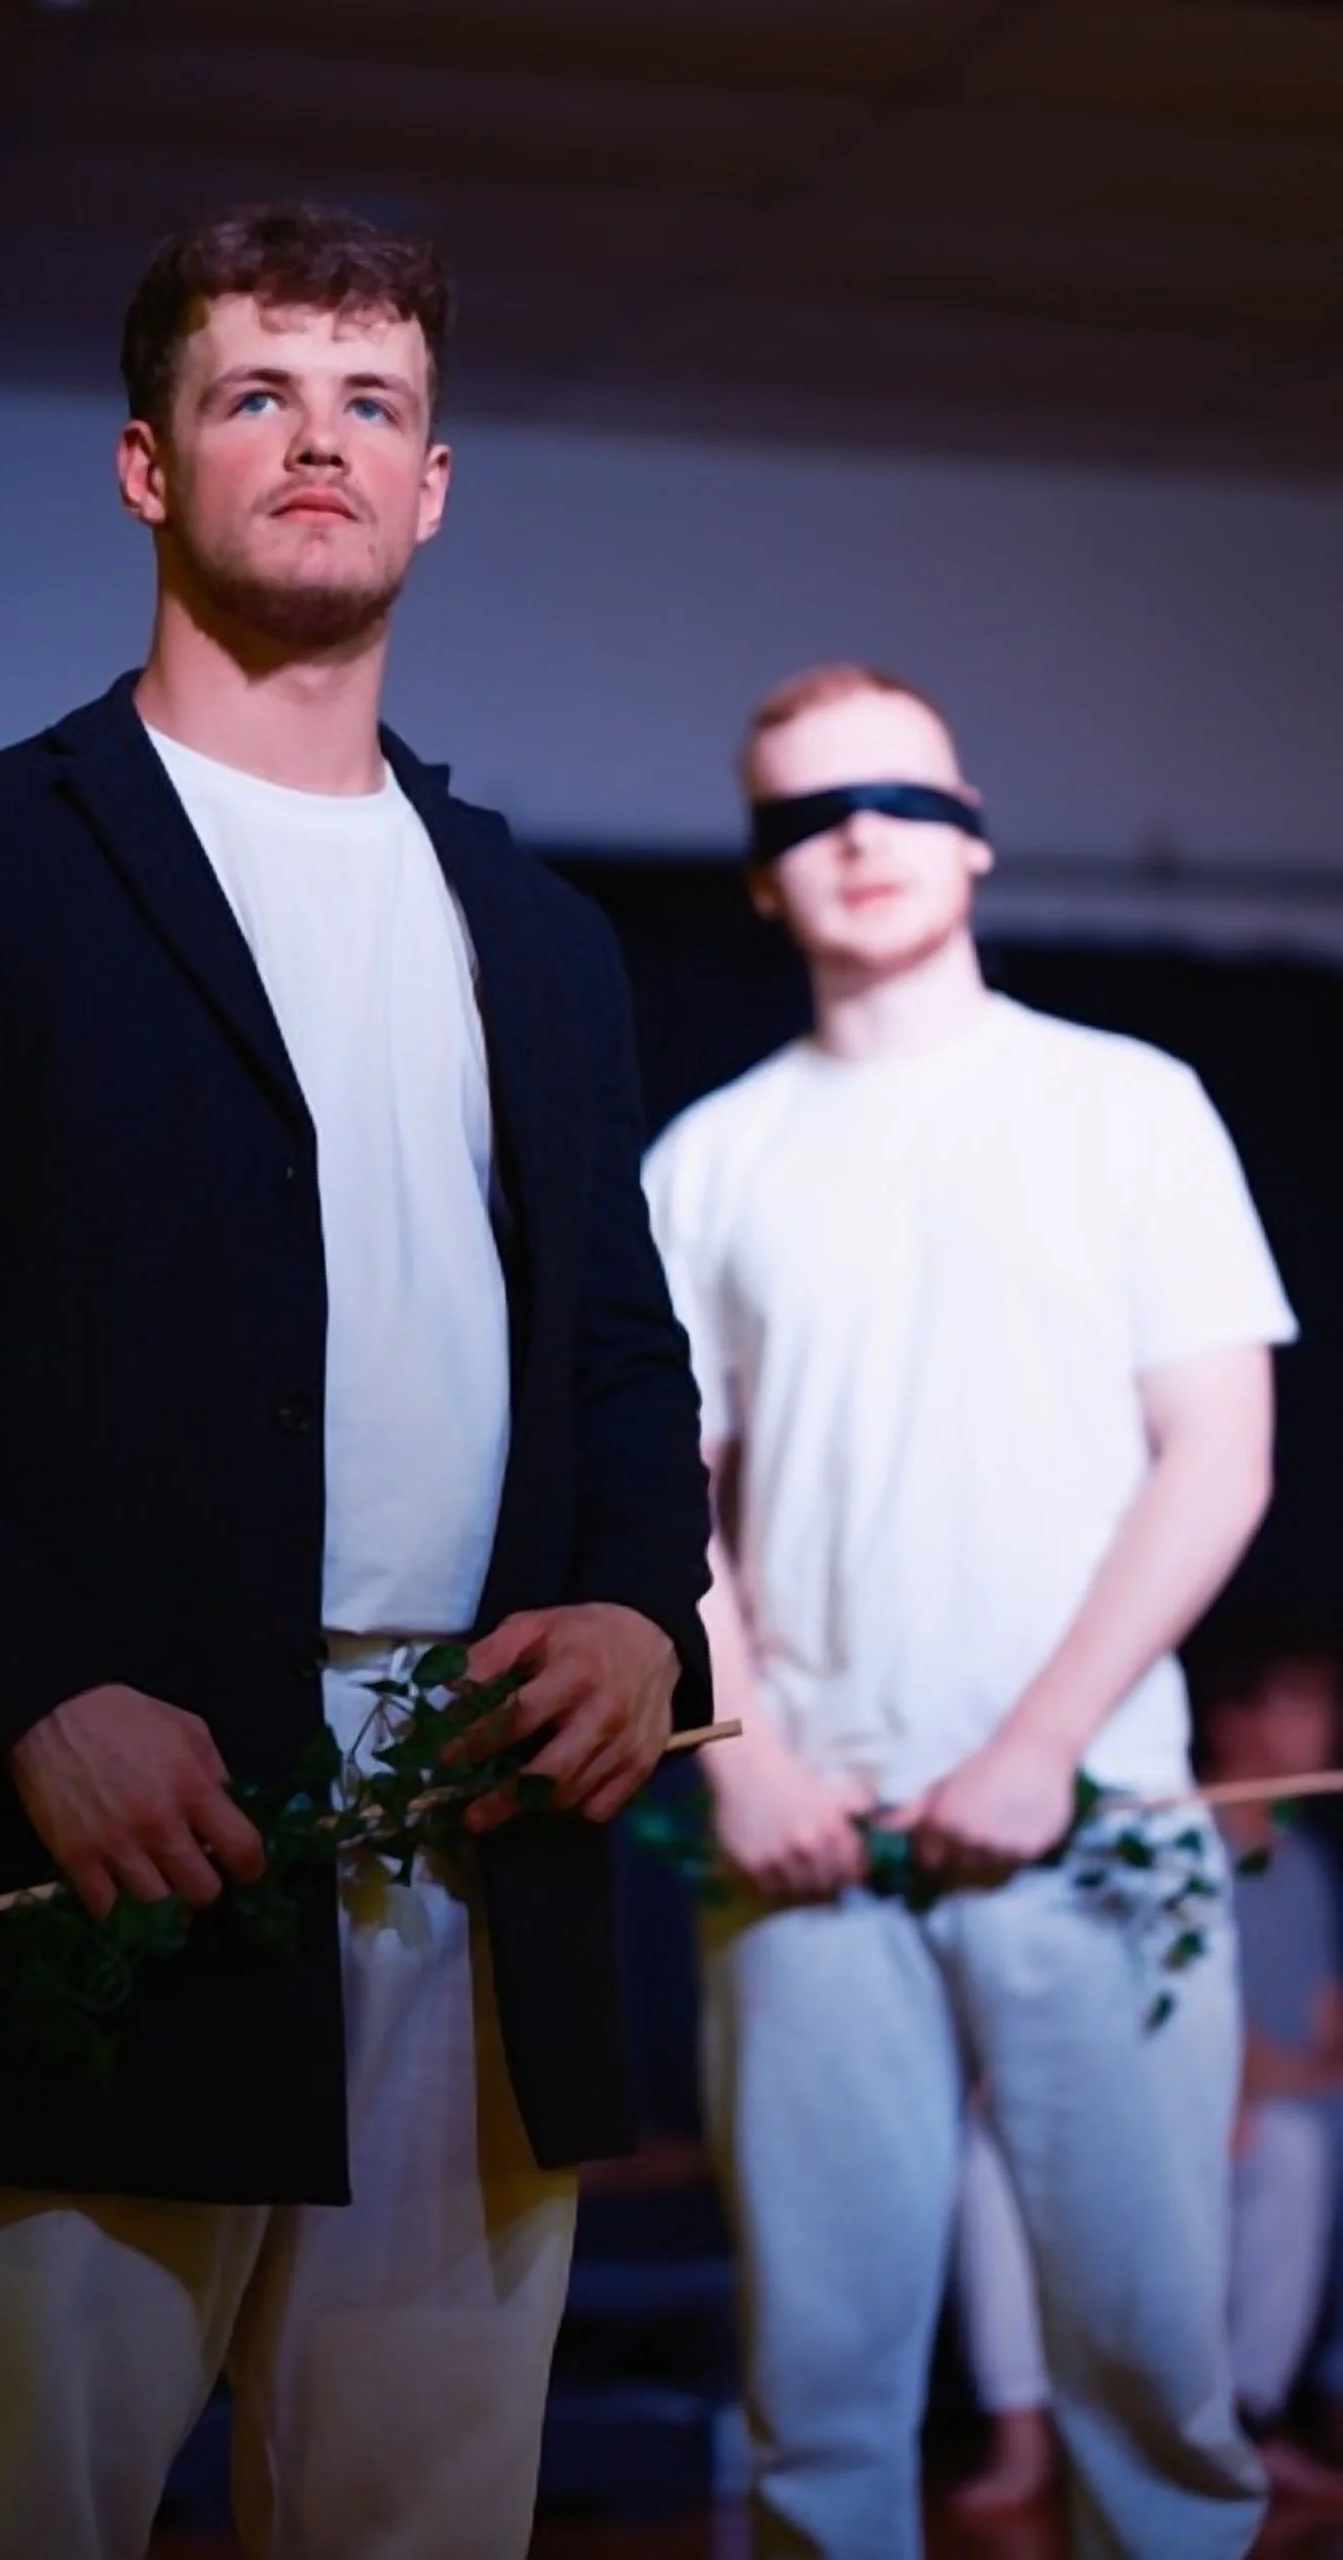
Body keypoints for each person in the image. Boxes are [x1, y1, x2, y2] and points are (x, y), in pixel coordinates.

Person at [0, 202, 711, 2560]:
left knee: (424, 2519)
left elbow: (619, 1353)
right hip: (117, 1837)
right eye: (258, 392)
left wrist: (641, 1611)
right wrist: (35, 1690)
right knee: (13, 2508)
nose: (320, 443)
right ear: (150, 466)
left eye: (371, 402)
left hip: (482, 1855)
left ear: (435, 483)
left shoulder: (544, 934)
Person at [643, 660, 1295, 2559]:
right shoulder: (709, 1159)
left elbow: (1215, 1456)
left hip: (1092, 1826)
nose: (859, 836)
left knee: (1150, 2382)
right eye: (805, 815)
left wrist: (1032, 1752)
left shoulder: (1125, 1107)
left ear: (974, 842)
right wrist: (744, 1761)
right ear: (762, 879)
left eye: (903, 802)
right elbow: (662, 1502)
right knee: (819, 2397)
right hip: (802, 1853)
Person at [953, 1631, 1343, 2515]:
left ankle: (1251, 2416)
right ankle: (1026, 2435)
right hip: (1133, 2096)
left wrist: (1260, 2079)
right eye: (1299, 1700)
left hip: (1250, 2114)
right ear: (1232, 1720)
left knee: (1294, 2147)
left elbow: (1326, 2032)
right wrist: (1229, 2076)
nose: (1324, 1724)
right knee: (993, 2149)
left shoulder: (1303, 1864)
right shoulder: (1157, 1834)